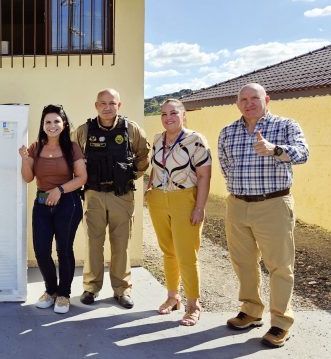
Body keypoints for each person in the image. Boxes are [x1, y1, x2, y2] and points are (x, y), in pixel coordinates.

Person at [218, 83, 309, 348]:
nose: (249, 103)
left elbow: (303, 153)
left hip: (273, 204)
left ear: (266, 99)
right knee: (243, 262)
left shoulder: (286, 126)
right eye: (243, 99)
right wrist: (239, 191)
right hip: (237, 204)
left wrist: (275, 150)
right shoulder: (228, 132)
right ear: (238, 104)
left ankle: (280, 322)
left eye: (254, 98)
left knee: (279, 267)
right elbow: (226, 167)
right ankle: (251, 311)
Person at [73, 88, 150, 309]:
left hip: (121, 195)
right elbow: (73, 156)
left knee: (121, 244)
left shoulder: (131, 129)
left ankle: (122, 289)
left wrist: (129, 174)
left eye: (112, 103)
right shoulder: (84, 130)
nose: (107, 107)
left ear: (119, 105)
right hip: (94, 194)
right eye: (103, 103)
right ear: (96, 105)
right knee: (93, 243)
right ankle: (91, 287)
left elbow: (144, 155)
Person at [146, 99, 211, 326]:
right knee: (168, 251)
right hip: (158, 199)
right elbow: (155, 167)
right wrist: (150, 187)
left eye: (173, 113)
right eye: (163, 114)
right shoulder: (157, 138)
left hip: (185, 199)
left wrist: (199, 207)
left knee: (187, 254)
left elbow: (204, 176)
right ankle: (173, 297)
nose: (168, 118)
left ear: (183, 115)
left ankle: (193, 304)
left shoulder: (196, 140)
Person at [19, 105, 87, 314]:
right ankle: (51, 290)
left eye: (56, 121)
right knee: (41, 250)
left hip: (68, 203)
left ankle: (64, 294)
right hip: (41, 204)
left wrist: (59, 190)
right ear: (43, 125)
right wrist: (24, 159)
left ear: (64, 124)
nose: (52, 125)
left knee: (64, 250)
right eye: (48, 122)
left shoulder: (72, 147)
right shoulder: (35, 147)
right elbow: (28, 178)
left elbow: (82, 178)